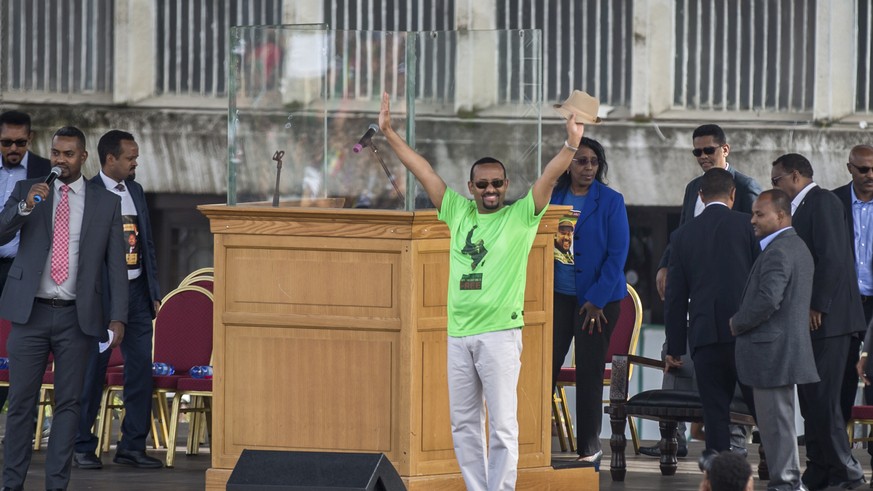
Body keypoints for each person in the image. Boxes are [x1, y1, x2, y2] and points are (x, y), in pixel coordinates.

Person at [379, 91, 585, 491]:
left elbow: (549, 176)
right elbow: (423, 171)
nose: (490, 189)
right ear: (470, 187)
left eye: (496, 183)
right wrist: (389, 133)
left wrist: (572, 143)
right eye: (482, 184)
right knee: (464, 423)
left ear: (506, 185)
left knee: (504, 424)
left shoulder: (522, 215)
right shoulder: (457, 211)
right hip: (459, 334)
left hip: (499, 335)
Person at [0, 126, 127, 491]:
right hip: (30, 313)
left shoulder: (105, 202)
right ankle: (12, 484)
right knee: (21, 402)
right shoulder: (29, 190)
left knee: (69, 404)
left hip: (77, 316)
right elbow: (2, 232)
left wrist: (118, 316)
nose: (60, 160)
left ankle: (57, 484)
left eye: (68, 154)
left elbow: (116, 264)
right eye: (56, 153)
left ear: (83, 157)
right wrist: (25, 207)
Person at [642, 124, 761, 458]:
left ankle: (733, 447)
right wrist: (666, 264)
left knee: (732, 387)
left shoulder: (747, 187)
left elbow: (755, 246)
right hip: (699, 300)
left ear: (726, 149)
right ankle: (676, 436)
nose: (703, 157)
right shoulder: (693, 187)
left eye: (709, 150)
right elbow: (682, 231)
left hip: (735, 308)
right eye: (697, 151)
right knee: (680, 360)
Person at [769, 153, 867, 490]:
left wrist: (817, 306)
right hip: (809, 323)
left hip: (830, 321)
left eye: (776, 180)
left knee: (825, 402)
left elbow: (833, 258)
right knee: (811, 402)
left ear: (795, 176)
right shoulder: (800, 209)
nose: (775, 187)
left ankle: (848, 473)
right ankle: (820, 467)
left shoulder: (822, 201)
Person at [73, 130, 163, 470]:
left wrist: (154, 290)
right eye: (130, 157)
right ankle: (83, 445)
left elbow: (148, 244)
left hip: (138, 294)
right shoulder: (89, 193)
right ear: (110, 159)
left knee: (140, 370)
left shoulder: (136, 191)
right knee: (92, 372)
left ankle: (132, 446)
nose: (135, 162)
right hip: (102, 297)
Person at [664, 168, 758, 464]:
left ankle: (718, 470)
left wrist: (676, 348)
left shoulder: (682, 235)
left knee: (715, 412)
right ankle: (779, 472)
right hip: (748, 335)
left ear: (701, 196)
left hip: (705, 335)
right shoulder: (749, 226)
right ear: (733, 195)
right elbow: (764, 281)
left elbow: (676, 298)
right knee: (765, 410)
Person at [730, 189, 819, 491]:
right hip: (780, 352)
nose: (752, 220)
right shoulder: (794, 246)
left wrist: (736, 323)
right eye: (753, 213)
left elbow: (768, 300)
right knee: (779, 425)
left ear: (780, 216)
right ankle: (789, 482)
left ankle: (786, 484)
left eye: (759, 214)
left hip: (771, 354)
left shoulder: (780, 250)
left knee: (776, 426)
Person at [548, 136, 629, 463]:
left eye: (594, 161)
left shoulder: (611, 200)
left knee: (590, 371)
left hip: (598, 302)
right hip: (558, 296)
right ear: (567, 163)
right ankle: (533, 445)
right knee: (545, 367)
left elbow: (617, 256)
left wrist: (596, 300)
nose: (589, 167)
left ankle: (589, 448)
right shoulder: (553, 196)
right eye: (581, 161)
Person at [0, 110, 52, 412]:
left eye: (20, 142)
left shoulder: (46, 170)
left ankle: (26, 414)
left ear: (30, 139)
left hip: (23, 270)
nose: (13, 149)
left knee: (22, 345)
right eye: (6, 142)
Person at [834, 145, 873, 474]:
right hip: (843, 302)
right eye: (862, 170)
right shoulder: (833, 202)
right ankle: (838, 451)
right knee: (842, 374)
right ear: (850, 169)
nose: (869, 175)